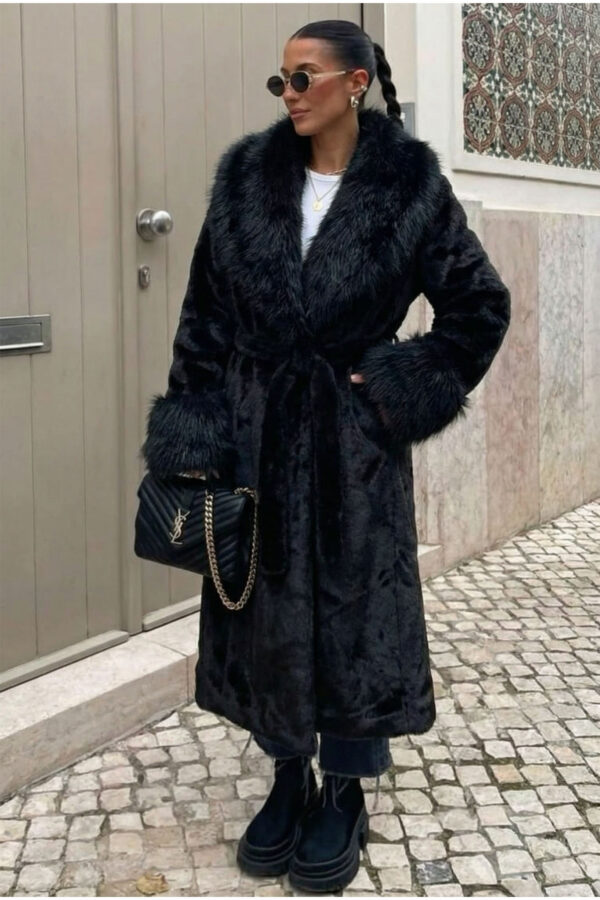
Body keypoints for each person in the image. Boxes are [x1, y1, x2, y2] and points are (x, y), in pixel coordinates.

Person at [140, 18, 511, 894]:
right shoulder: (245, 180)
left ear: (355, 83)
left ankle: (343, 786)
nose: (289, 94)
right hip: (257, 436)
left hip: (353, 450)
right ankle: (286, 774)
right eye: (281, 80)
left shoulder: (409, 187)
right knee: (262, 606)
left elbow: (479, 306)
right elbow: (203, 319)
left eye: (304, 77)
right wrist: (195, 435)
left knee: (355, 611)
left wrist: (394, 385)